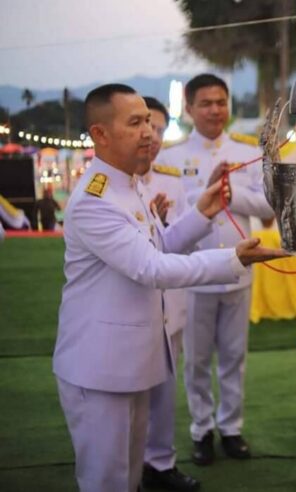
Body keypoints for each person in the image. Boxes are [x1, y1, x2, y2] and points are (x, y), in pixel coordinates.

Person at [55, 83, 284, 492]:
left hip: (129, 362)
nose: (149, 132)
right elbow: (152, 268)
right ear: (100, 135)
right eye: (135, 123)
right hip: (100, 366)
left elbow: (159, 244)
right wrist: (232, 259)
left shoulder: (131, 185)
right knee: (106, 480)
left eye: (148, 121)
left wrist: (201, 213)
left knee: (128, 475)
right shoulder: (96, 199)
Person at [157, 73, 274, 466]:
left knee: (234, 356)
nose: (214, 110)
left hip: (239, 268)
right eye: (205, 103)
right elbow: (169, 216)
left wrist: (230, 191)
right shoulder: (169, 158)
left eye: (220, 102)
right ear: (188, 109)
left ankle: (231, 428)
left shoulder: (247, 149)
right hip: (194, 273)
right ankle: (201, 429)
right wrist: (203, 191)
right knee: (196, 359)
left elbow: (269, 205)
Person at [137, 96, 199, 491]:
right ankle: (130, 467)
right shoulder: (107, 188)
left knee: (164, 393)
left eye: (159, 129)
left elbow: (177, 239)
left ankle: (160, 463)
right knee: (131, 397)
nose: (153, 137)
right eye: (145, 128)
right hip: (134, 310)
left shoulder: (170, 176)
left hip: (169, 305)